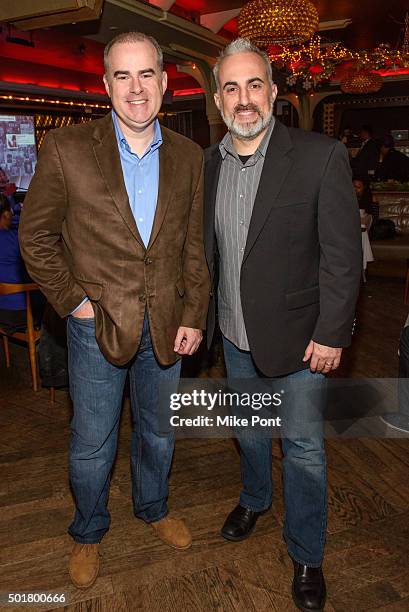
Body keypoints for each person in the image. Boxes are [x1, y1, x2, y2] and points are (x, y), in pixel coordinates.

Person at [19, 32, 209, 589]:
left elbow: (193, 248)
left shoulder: (189, 156)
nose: (135, 88)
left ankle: (153, 506)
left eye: (146, 74)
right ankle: (87, 530)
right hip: (95, 326)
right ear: (105, 85)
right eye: (122, 76)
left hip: (169, 325)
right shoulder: (67, 149)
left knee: (159, 433)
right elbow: (35, 238)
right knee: (91, 442)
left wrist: (194, 314)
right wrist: (75, 302)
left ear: (164, 82)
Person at [204, 39, 362, 612]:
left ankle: (306, 553)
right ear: (217, 98)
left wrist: (333, 332)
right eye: (231, 87)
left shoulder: (321, 155)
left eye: (254, 86)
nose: (244, 100)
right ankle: (254, 497)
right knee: (248, 433)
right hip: (234, 336)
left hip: (302, 341)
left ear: (273, 92)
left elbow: (344, 257)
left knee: (302, 450)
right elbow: (211, 255)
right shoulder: (209, 163)